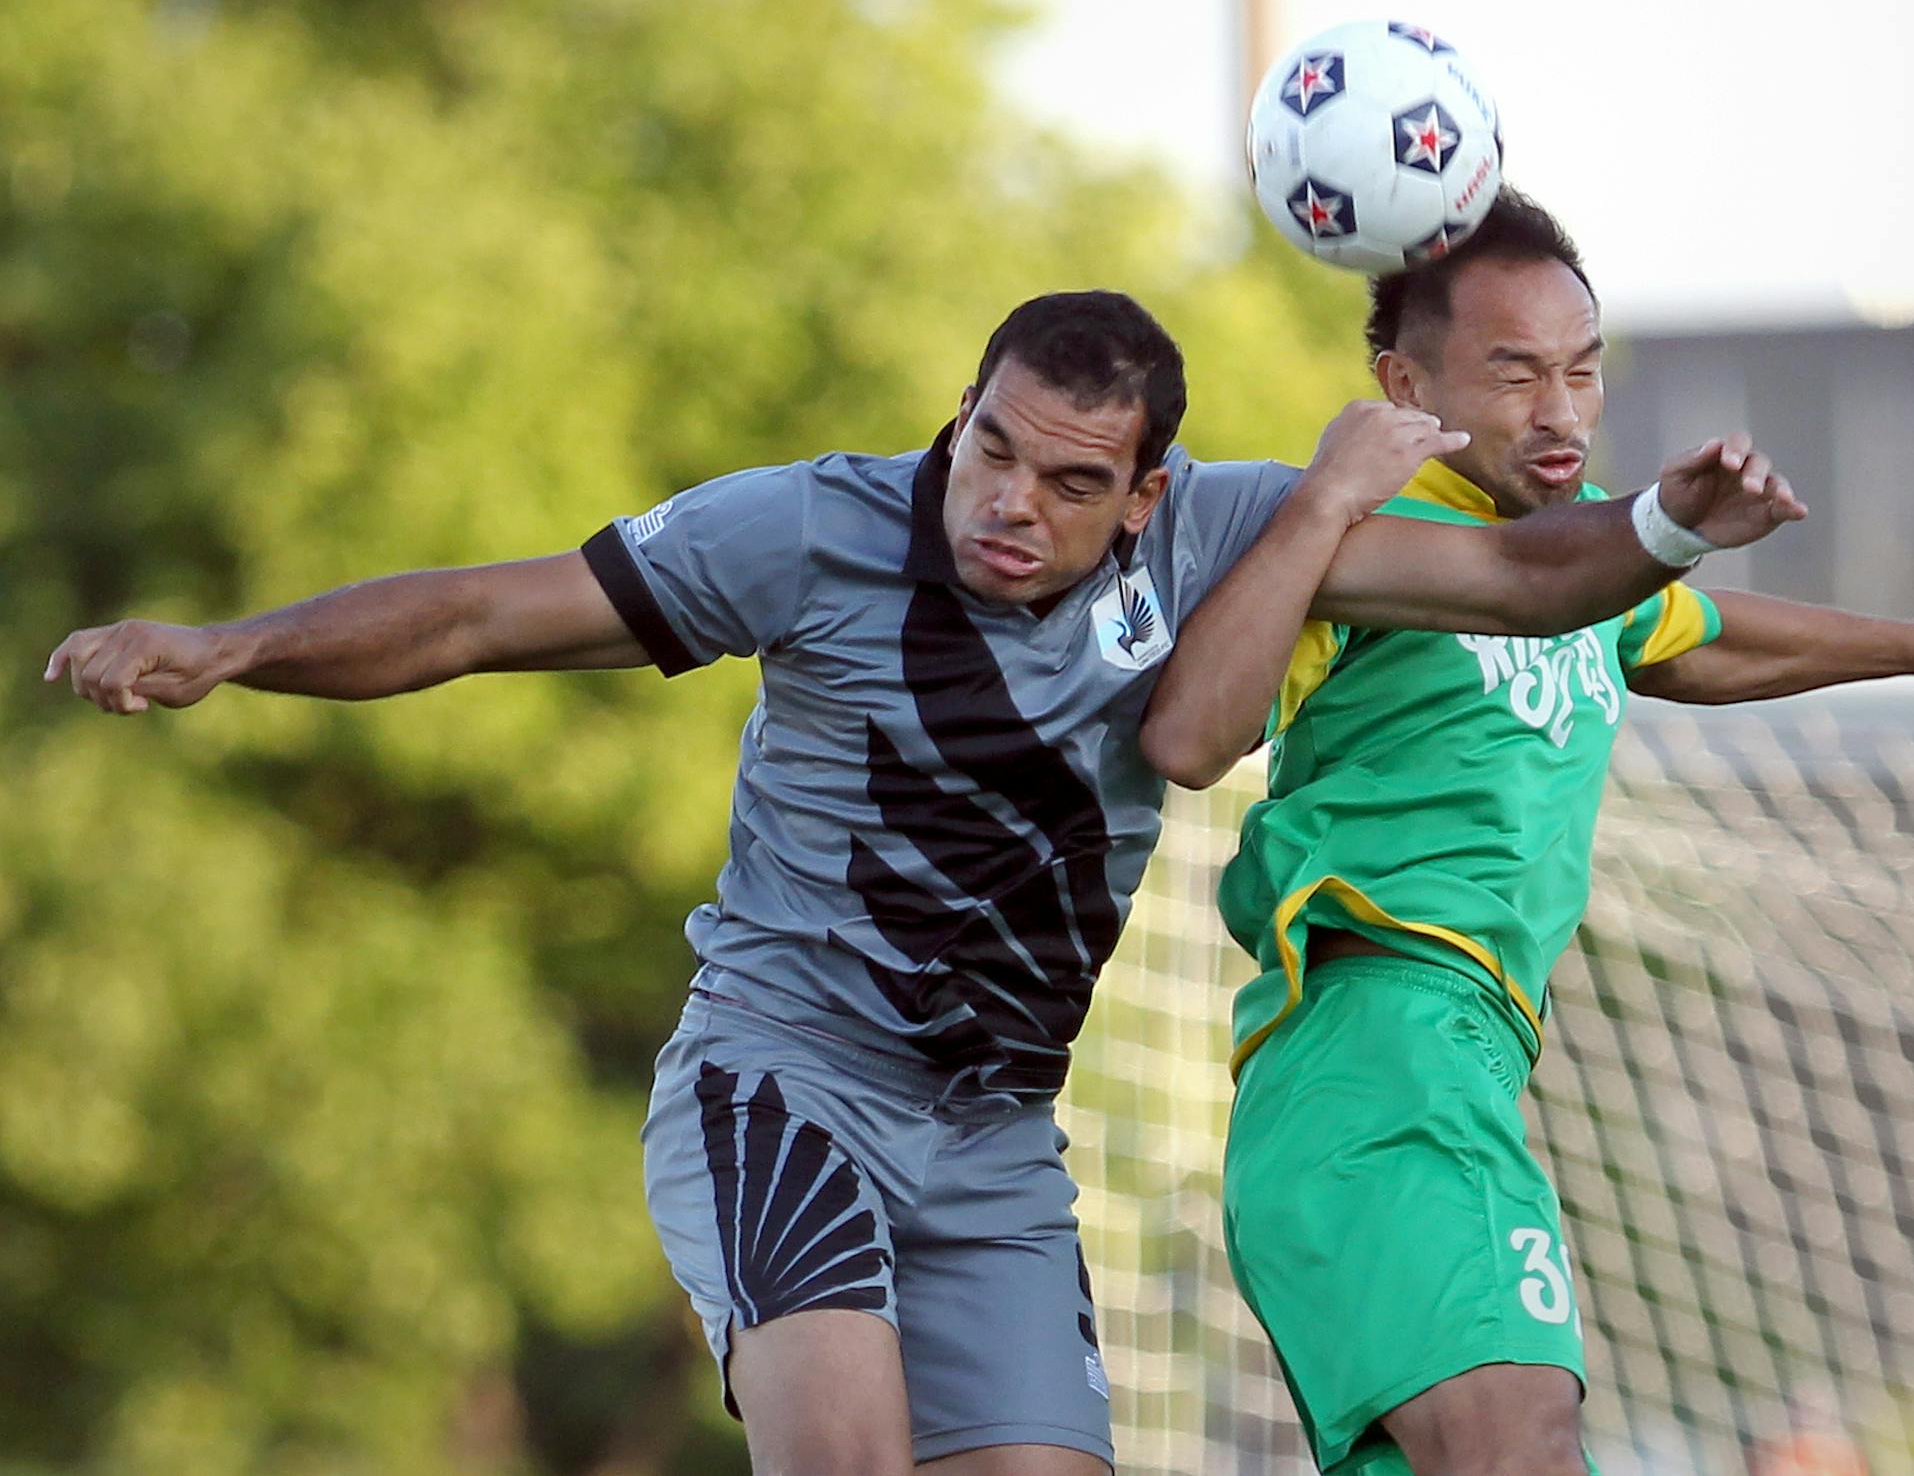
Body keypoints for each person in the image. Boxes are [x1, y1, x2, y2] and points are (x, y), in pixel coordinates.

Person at [46, 288, 1806, 1476]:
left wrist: (1661, 527)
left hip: (992, 1143)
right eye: (990, 451)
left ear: (1147, 497)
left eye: (1068, 481)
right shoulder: (799, 533)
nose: (1010, 506)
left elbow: (1514, 581)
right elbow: (475, 616)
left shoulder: (1228, 543)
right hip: (782, 1081)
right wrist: (230, 646)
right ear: (956, 416)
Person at [1139, 193, 1914, 1476]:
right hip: (1378, 1052)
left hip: (1463, 1067)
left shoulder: (1582, 558)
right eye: (1514, 372)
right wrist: (1320, 507)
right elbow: (1190, 738)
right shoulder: (1374, 544)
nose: (1559, 411)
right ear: (1403, 380)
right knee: (1524, 1443)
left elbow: (1701, 639)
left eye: (1582, 368)